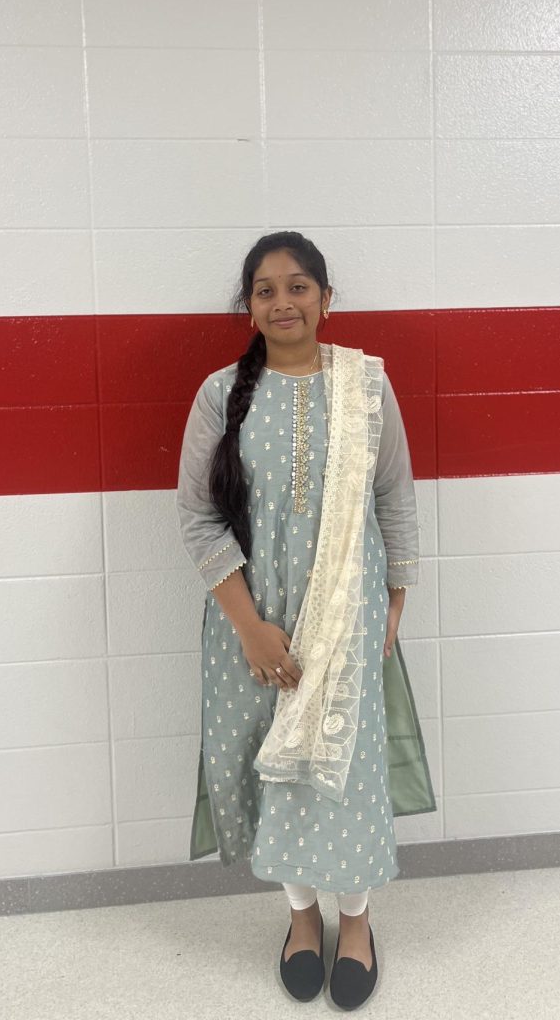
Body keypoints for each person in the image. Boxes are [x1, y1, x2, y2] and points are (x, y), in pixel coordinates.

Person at [176, 230, 435, 1008]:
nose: (282, 301)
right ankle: (299, 919)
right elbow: (197, 519)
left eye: (298, 286)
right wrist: (251, 627)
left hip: (346, 623)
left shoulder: (365, 387)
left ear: (327, 298)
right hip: (250, 627)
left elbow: (394, 494)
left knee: (343, 778)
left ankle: (354, 922)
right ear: (248, 308)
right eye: (265, 289)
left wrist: (394, 599)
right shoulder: (221, 393)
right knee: (274, 769)